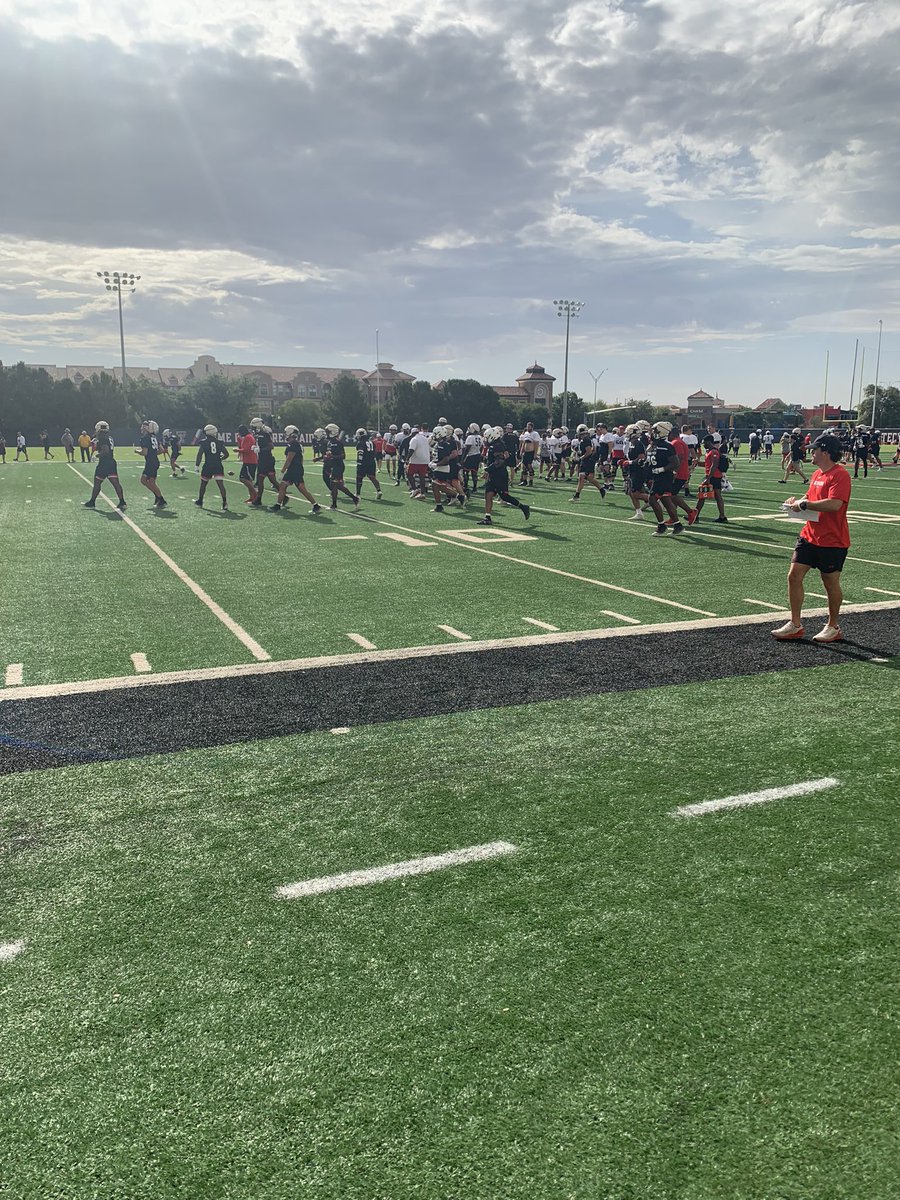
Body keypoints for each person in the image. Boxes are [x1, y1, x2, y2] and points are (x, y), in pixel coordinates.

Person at [772, 434, 852, 644]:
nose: (811, 453)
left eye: (815, 450)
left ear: (825, 452)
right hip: (809, 535)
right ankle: (795, 624)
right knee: (794, 576)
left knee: (830, 582)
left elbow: (834, 504)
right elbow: (810, 498)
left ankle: (833, 626)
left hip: (832, 539)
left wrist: (805, 504)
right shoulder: (817, 474)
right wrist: (796, 503)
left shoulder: (840, 475)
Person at [478, 427, 530, 525]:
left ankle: (523, 507)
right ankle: (487, 517)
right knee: (488, 495)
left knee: (504, 496)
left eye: (487, 437)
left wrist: (488, 469)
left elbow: (500, 461)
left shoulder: (497, 446)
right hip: (494, 475)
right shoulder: (497, 444)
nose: (485, 439)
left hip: (499, 475)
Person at [269, 425, 322, 513]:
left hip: (294, 469)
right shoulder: (296, 444)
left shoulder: (293, 444)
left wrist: (282, 471)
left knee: (301, 489)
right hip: (295, 469)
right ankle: (278, 505)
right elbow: (300, 458)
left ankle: (316, 505)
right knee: (283, 486)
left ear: (289, 433)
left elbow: (289, 459)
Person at [83, 420, 125, 509]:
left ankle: (92, 502)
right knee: (116, 483)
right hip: (111, 462)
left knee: (97, 483)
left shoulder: (102, 438)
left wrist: (97, 455)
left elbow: (105, 450)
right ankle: (122, 502)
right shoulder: (109, 437)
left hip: (104, 463)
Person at [691, 435, 728, 523]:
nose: (703, 445)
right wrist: (698, 463)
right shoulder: (709, 452)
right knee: (714, 496)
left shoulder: (714, 452)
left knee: (704, 496)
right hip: (713, 476)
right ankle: (722, 516)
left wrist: (708, 478)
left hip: (714, 476)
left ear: (709, 442)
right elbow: (707, 464)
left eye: (704, 443)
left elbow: (714, 465)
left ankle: (695, 516)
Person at [322, 422, 359, 509]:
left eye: (328, 432)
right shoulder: (330, 442)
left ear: (332, 432)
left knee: (333, 485)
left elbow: (343, 456)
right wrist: (327, 457)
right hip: (334, 466)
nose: (326, 433)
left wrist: (332, 456)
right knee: (338, 486)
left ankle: (334, 505)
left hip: (338, 466)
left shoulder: (337, 442)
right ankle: (354, 498)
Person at [194, 424, 229, 509]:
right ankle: (224, 502)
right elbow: (226, 454)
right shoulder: (219, 442)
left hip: (208, 465)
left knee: (203, 484)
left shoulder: (203, 442)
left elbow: (199, 454)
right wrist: (220, 458)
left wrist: (197, 465)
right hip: (218, 465)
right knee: (220, 484)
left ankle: (200, 501)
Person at [570, 423, 607, 503]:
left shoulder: (586, 440)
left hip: (587, 461)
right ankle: (601, 489)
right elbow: (592, 450)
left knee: (581, 478)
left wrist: (581, 457)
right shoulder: (587, 439)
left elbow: (589, 451)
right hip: (589, 461)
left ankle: (577, 496)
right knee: (589, 478)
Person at [137, 419, 167, 507]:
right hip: (155, 462)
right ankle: (158, 498)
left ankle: (160, 498)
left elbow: (144, 453)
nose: (142, 428)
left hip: (150, 463)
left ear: (147, 428)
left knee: (144, 481)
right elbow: (162, 450)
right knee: (151, 482)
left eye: (144, 426)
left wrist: (137, 451)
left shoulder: (145, 438)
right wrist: (153, 453)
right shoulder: (155, 438)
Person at [354, 428, 383, 499]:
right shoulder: (371, 442)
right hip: (372, 461)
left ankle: (358, 494)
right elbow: (374, 451)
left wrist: (359, 462)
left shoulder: (361, 442)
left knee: (359, 477)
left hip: (364, 462)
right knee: (372, 477)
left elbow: (360, 453)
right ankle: (379, 491)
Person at [235, 423, 259, 504]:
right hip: (249, 461)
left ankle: (255, 494)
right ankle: (252, 497)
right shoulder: (248, 437)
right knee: (248, 479)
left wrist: (237, 450)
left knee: (243, 478)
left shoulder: (248, 437)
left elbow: (247, 450)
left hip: (250, 461)